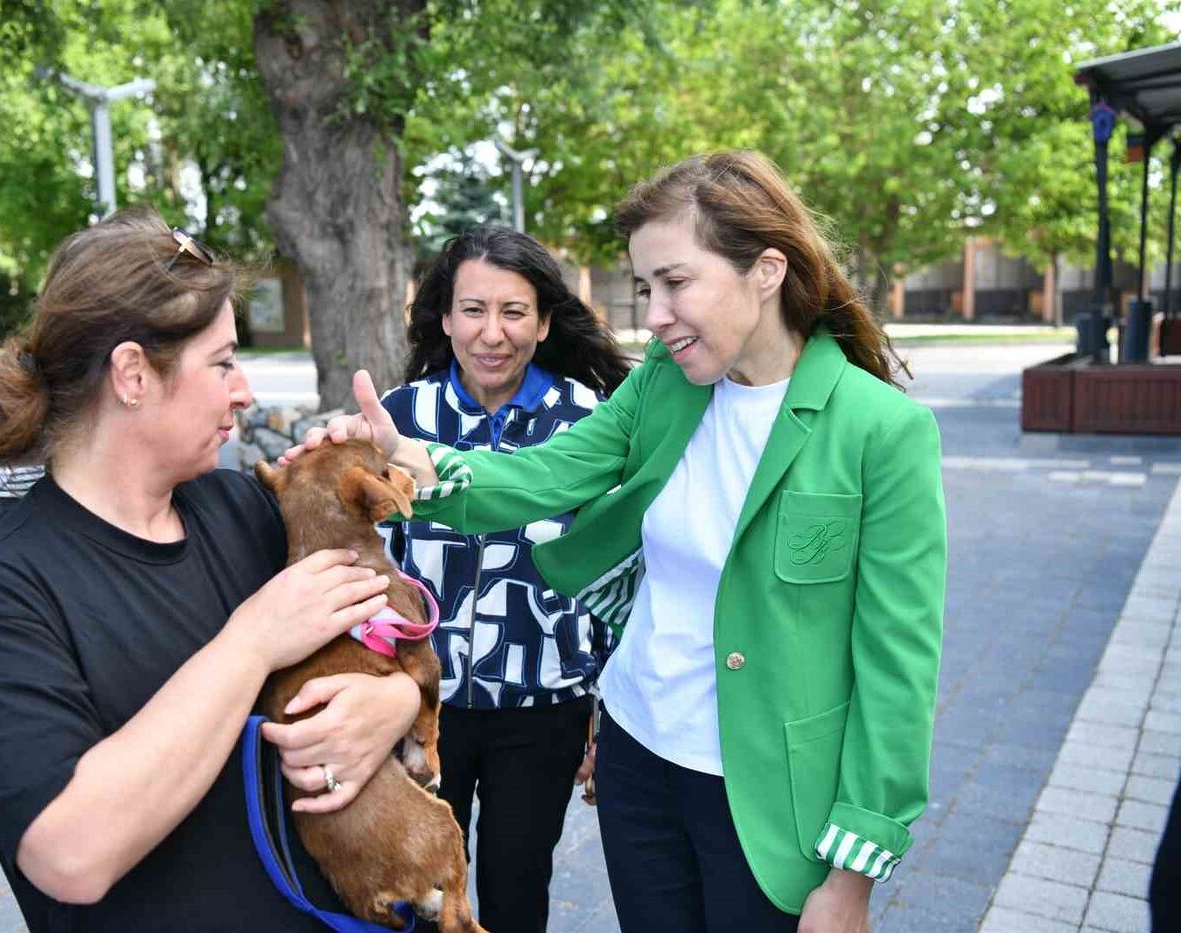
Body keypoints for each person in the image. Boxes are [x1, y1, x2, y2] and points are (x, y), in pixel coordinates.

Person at [285, 150, 947, 932]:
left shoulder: (883, 430)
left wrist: (854, 871)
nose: (655, 315)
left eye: (675, 282)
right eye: (645, 288)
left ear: (767, 270)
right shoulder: (666, 380)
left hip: (770, 794)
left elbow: (897, 664)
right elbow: (545, 475)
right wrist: (410, 461)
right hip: (640, 762)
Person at [0, 208, 423, 932]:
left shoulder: (245, 508)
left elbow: (398, 646)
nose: (244, 390)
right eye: (221, 361)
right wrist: (251, 643)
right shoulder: (0, 594)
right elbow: (71, 853)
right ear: (132, 374)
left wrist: (394, 705)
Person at [376, 225, 630, 932]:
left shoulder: (592, 422)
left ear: (545, 321)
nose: (493, 333)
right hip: (420, 711)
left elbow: (616, 574)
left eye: (514, 312)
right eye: (474, 310)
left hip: (543, 709)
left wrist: (604, 712)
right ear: (446, 317)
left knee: (518, 892)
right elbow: (370, 565)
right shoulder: (403, 419)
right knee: (419, 893)